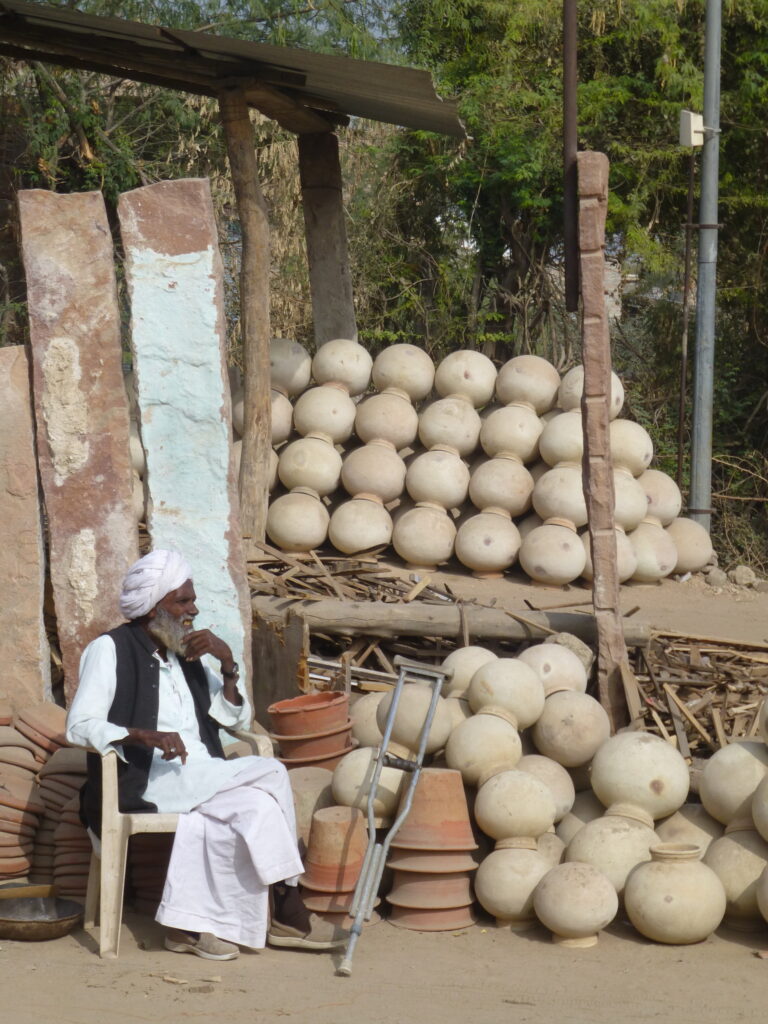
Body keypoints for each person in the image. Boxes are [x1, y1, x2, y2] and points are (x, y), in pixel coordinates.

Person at [67, 548, 345, 961]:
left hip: (200, 776)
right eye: (182, 601)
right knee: (270, 772)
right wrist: (141, 735)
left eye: (191, 600)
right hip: (148, 780)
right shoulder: (109, 650)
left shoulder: (185, 653)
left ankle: (187, 927)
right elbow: (79, 725)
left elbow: (235, 716)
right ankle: (289, 906)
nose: (192, 610)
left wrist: (228, 662)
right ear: (151, 608)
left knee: (256, 808)